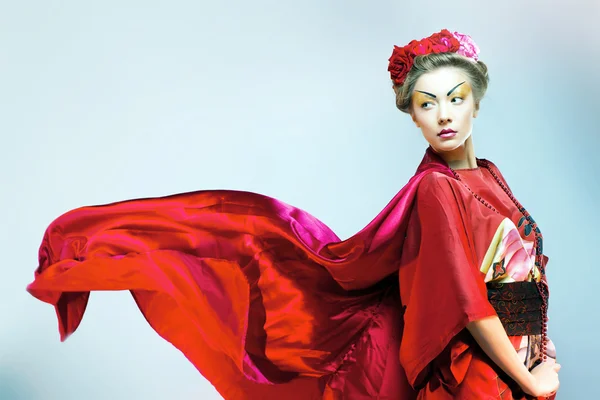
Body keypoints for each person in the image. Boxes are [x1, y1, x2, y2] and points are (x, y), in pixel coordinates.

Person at [27, 29, 560, 399]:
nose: (443, 114)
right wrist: (527, 375)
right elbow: (467, 302)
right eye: (426, 103)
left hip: (520, 365)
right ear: (412, 115)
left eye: (455, 97)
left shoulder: (489, 176)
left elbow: (524, 276)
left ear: (477, 100)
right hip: (479, 378)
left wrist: (543, 356)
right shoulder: (437, 191)